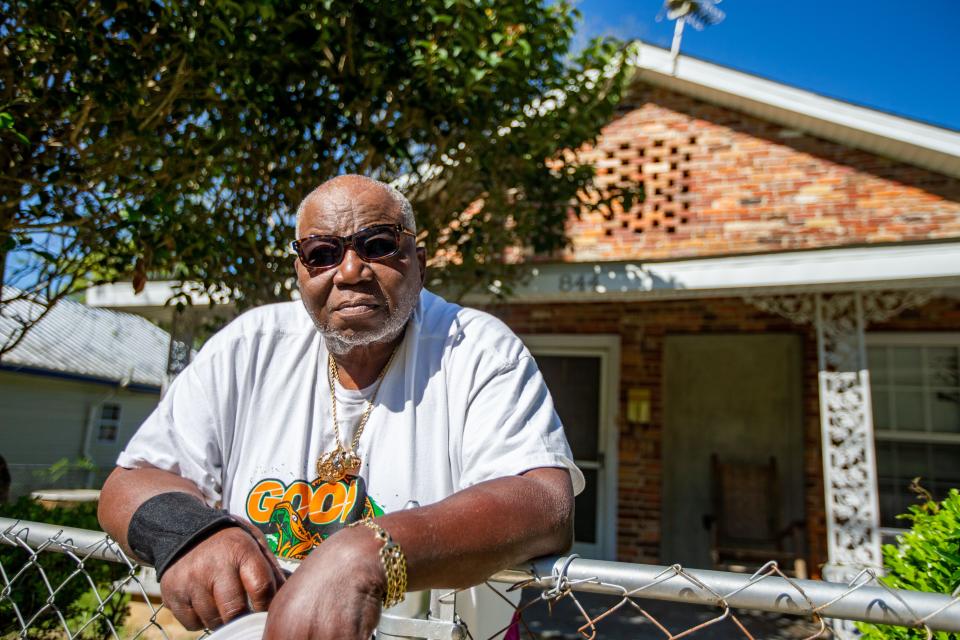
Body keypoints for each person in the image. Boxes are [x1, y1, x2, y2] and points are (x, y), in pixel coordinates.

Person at [98, 175, 583, 640]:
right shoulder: (250, 347)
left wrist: (369, 553)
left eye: (378, 245)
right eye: (322, 254)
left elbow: (542, 501)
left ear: (420, 260)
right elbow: (130, 482)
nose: (350, 271)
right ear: (300, 271)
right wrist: (191, 531)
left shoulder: (475, 350)